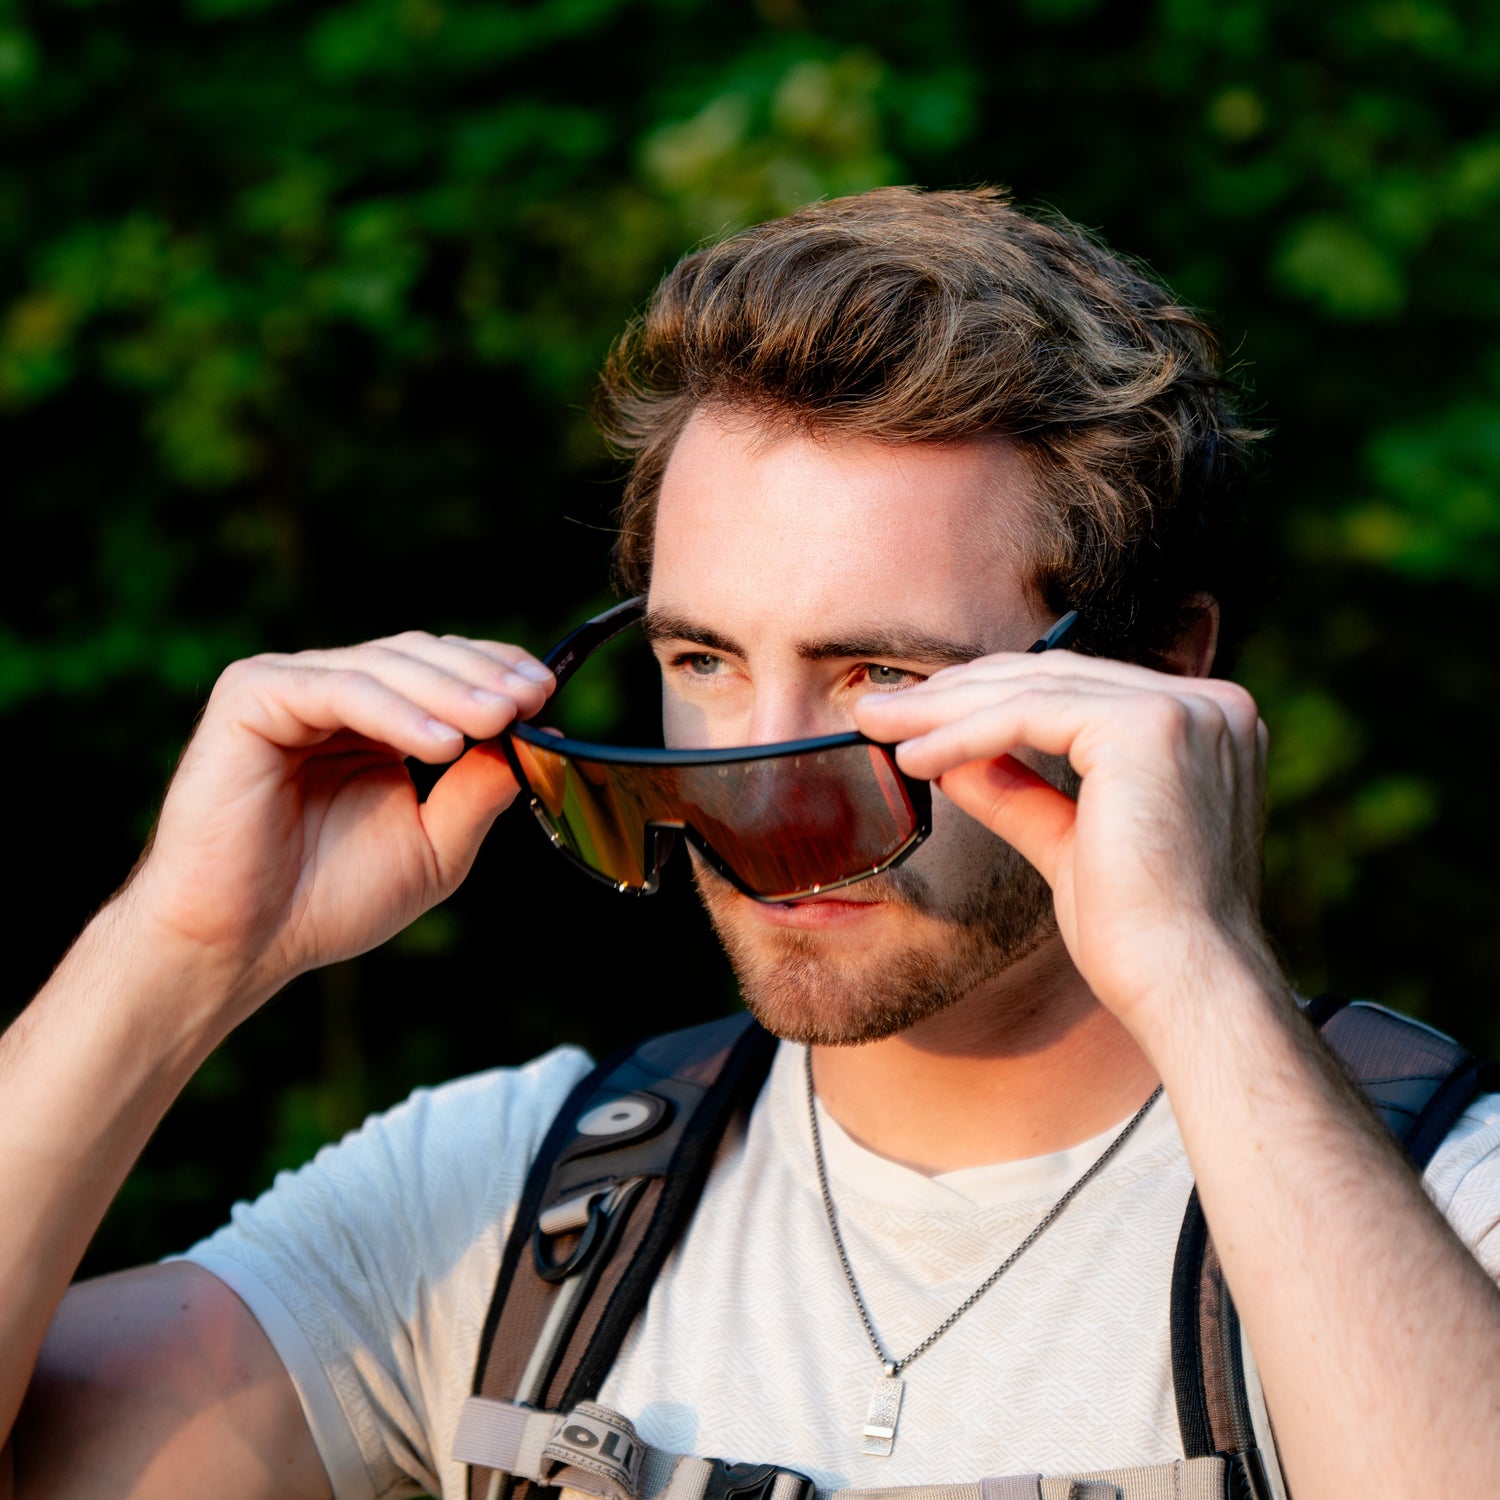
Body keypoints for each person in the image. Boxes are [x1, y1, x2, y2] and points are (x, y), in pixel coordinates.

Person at [3, 187, 1499, 1500]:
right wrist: (179, 955)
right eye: (701, 661)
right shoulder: (512, 1204)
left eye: (882, 675)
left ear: (1160, 678)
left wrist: (1203, 973)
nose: (754, 799)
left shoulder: (1449, 1207)